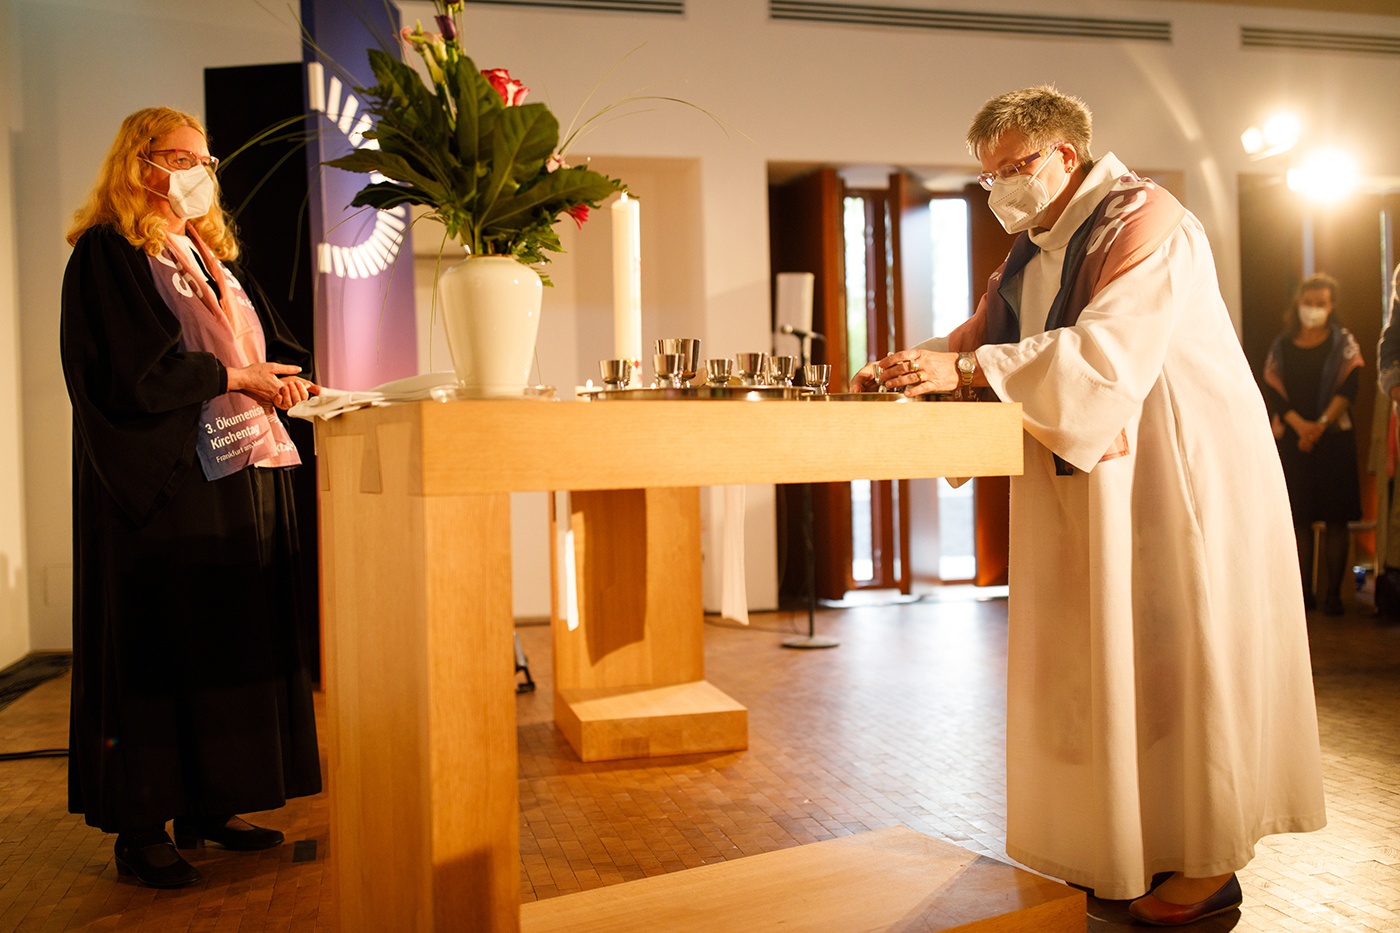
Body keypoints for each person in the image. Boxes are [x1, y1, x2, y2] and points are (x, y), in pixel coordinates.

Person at [852, 86, 1326, 924]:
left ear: (1066, 155)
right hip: (1092, 484)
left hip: (1173, 475)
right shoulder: (1038, 248)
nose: (999, 186)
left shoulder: (1147, 220)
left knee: (1182, 665)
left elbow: (1106, 353)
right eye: (988, 173)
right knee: (1112, 672)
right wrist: (910, 362)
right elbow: (983, 341)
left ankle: (1208, 865)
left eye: (1013, 166)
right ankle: (1125, 846)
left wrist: (964, 372)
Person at [60, 107, 323, 889]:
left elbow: (257, 346)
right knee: (161, 644)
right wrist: (236, 378)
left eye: (206, 161)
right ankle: (143, 826)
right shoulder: (108, 255)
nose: (202, 174)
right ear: (142, 164)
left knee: (229, 636)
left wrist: (279, 376)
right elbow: (124, 378)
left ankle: (216, 799)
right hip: (165, 485)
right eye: (186, 158)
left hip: (235, 471)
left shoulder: (206, 254)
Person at [1261, 273, 1363, 616]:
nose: (1314, 310)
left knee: (1337, 520)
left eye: (1321, 303)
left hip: (1333, 440)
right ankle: (1301, 596)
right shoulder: (1281, 346)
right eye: (1308, 303)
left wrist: (1318, 426)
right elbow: (1274, 392)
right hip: (1294, 441)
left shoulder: (1343, 344)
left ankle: (1333, 596)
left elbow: (1349, 388)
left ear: (1332, 306)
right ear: (1298, 303)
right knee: (1298, 519)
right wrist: (1301, 427)